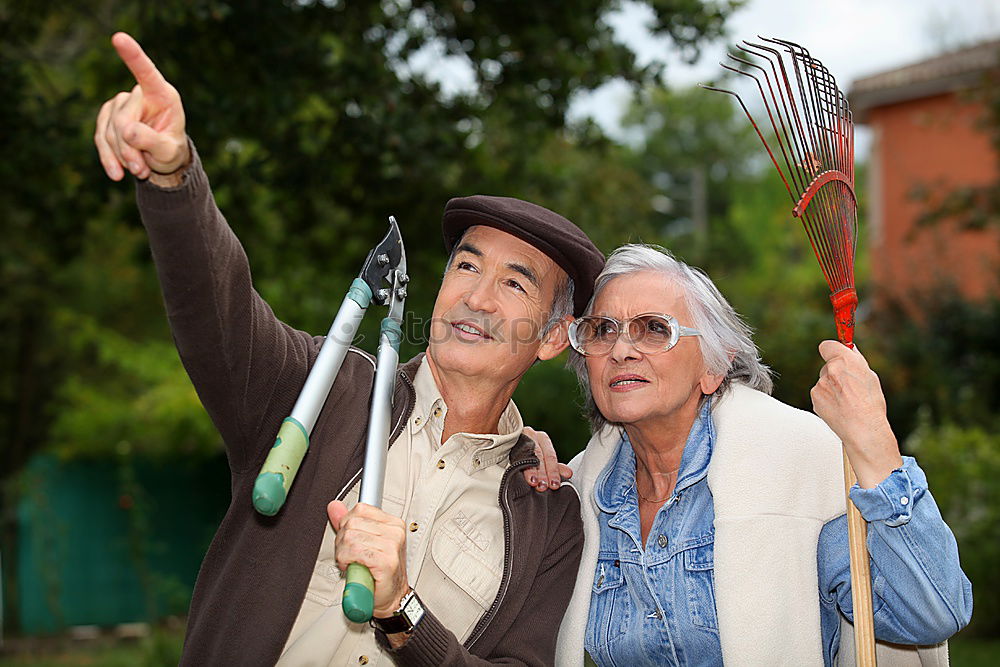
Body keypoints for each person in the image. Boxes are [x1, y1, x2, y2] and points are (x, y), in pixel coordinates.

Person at [94, 32, 604, 666]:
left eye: (513, 283)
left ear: (555, 337)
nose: (477, 298)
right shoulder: (320, 388)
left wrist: (402, 610)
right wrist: (174, 178)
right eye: (466, 268)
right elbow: (215, 307)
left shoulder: (548, 515)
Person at [525, 244, 972, 666]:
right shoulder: (576, 491)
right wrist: (511, 455)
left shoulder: (796, 465)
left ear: (713, 368)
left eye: (654, 328)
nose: (621, 350)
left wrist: (875, 446)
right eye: (602, 331)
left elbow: (931, 613)